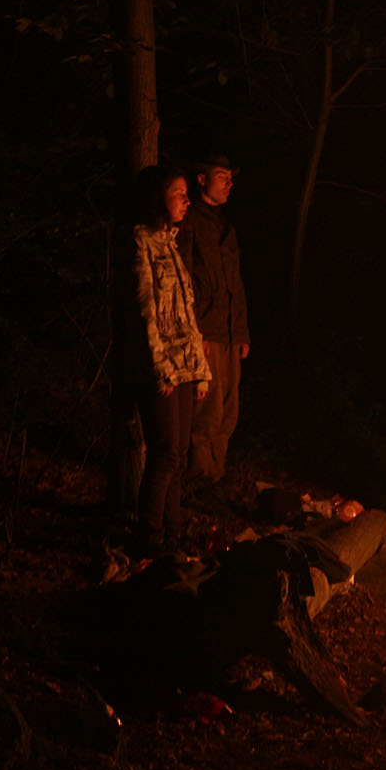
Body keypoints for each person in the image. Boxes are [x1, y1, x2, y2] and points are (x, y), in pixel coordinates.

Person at [125, 165, 212, 554]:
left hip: (185, 367)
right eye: (178, 193)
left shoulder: (173, 245)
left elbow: (186, 314)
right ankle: (150, 538)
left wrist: (200, 371)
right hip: (160, 368)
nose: (186, 200)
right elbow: (146, 311)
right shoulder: (141, 241)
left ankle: (172, 536)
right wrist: (160, 368)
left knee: (178, 455)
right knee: (163, 453)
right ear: (158, 197)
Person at [176, 155, 249, 493]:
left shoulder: (225, 226)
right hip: (205, 328)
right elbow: (184, 278)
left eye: (230, 178)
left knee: (228, 408)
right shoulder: (189, 220)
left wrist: (243, 331)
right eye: (222, 176)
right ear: (202, 179)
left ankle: (215, 475)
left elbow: (236, 281)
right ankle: (199, 477)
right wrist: (194, 331)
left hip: (230, 331)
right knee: (207, 407)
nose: (229, 183)